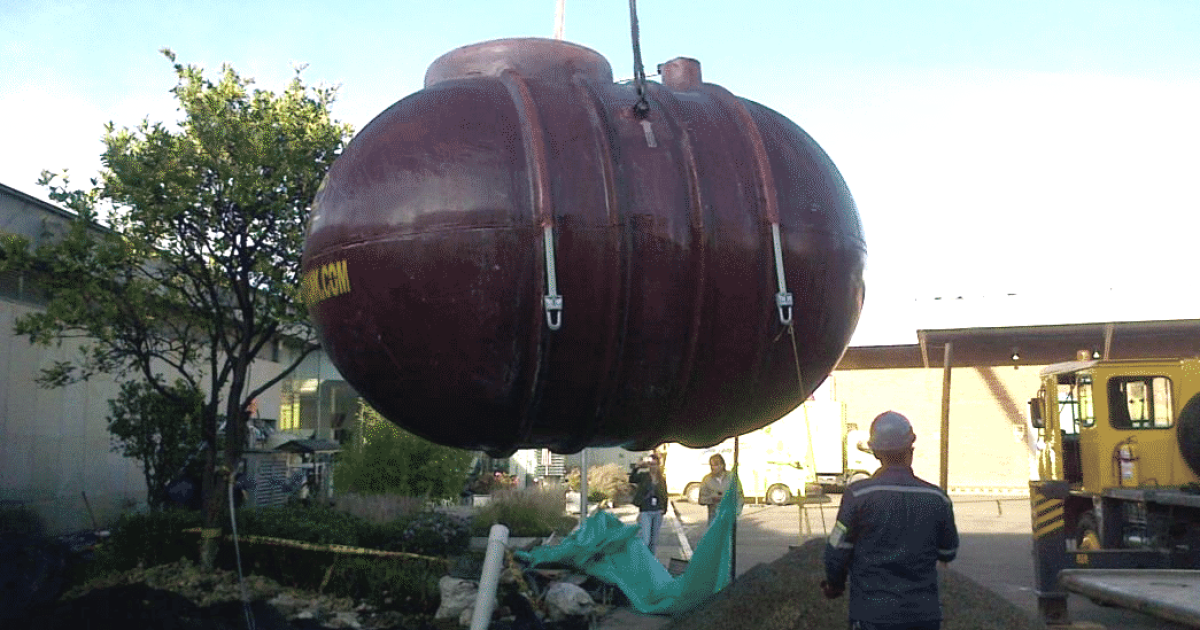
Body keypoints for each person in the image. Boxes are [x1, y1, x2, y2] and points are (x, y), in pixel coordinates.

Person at [822, 411, 959, 630]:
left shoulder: (857, 495)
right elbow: (948, 552)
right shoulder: (937, 498)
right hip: (923, 617)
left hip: (871, 616)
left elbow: (837, 550)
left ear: (876, 453)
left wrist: (834, 585)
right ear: (910, 450)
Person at [629, 453, 669, 554]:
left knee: (653, 541)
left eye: (655, 464)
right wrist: (637, 467)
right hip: (645, 510)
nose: (653, 467)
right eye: (651, 464)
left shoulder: (661, 479)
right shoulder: (643, 476)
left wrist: (664, 509)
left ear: (658, 465)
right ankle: (644, 559)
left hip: (658, 511)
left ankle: (651, 560)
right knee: (645, 540)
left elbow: (665, 494)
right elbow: (632, 479)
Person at [697, 453, 729, 524]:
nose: (713, 467)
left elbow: (739, 496)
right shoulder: (707, 479)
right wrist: (712, 499)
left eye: (716, 465)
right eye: (711, 465)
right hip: (714, 518)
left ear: (722, 465)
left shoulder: (731, 477)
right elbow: (701, 500)